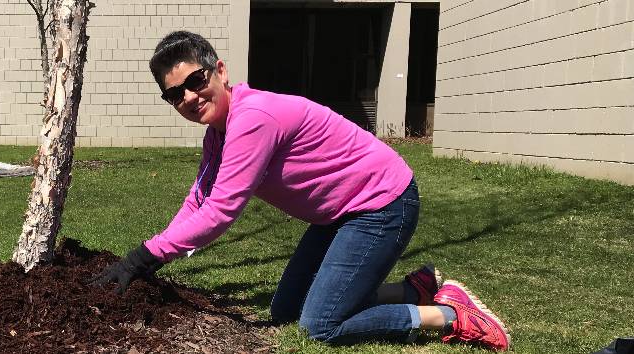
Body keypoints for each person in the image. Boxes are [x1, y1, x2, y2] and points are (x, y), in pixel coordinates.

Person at [87, 31, 511, 351]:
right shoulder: (218, 133)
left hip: (381, 204)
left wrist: (148, 254)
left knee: (320, 325)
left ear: (219, 71)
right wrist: (150, 258)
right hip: (339, 215)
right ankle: (413, 288)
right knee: (286, 310)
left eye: (195, 80)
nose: (189, 97)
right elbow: (198, 200)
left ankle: (450, 314)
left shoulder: (253, 119)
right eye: (174, 94)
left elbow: (219, 212)